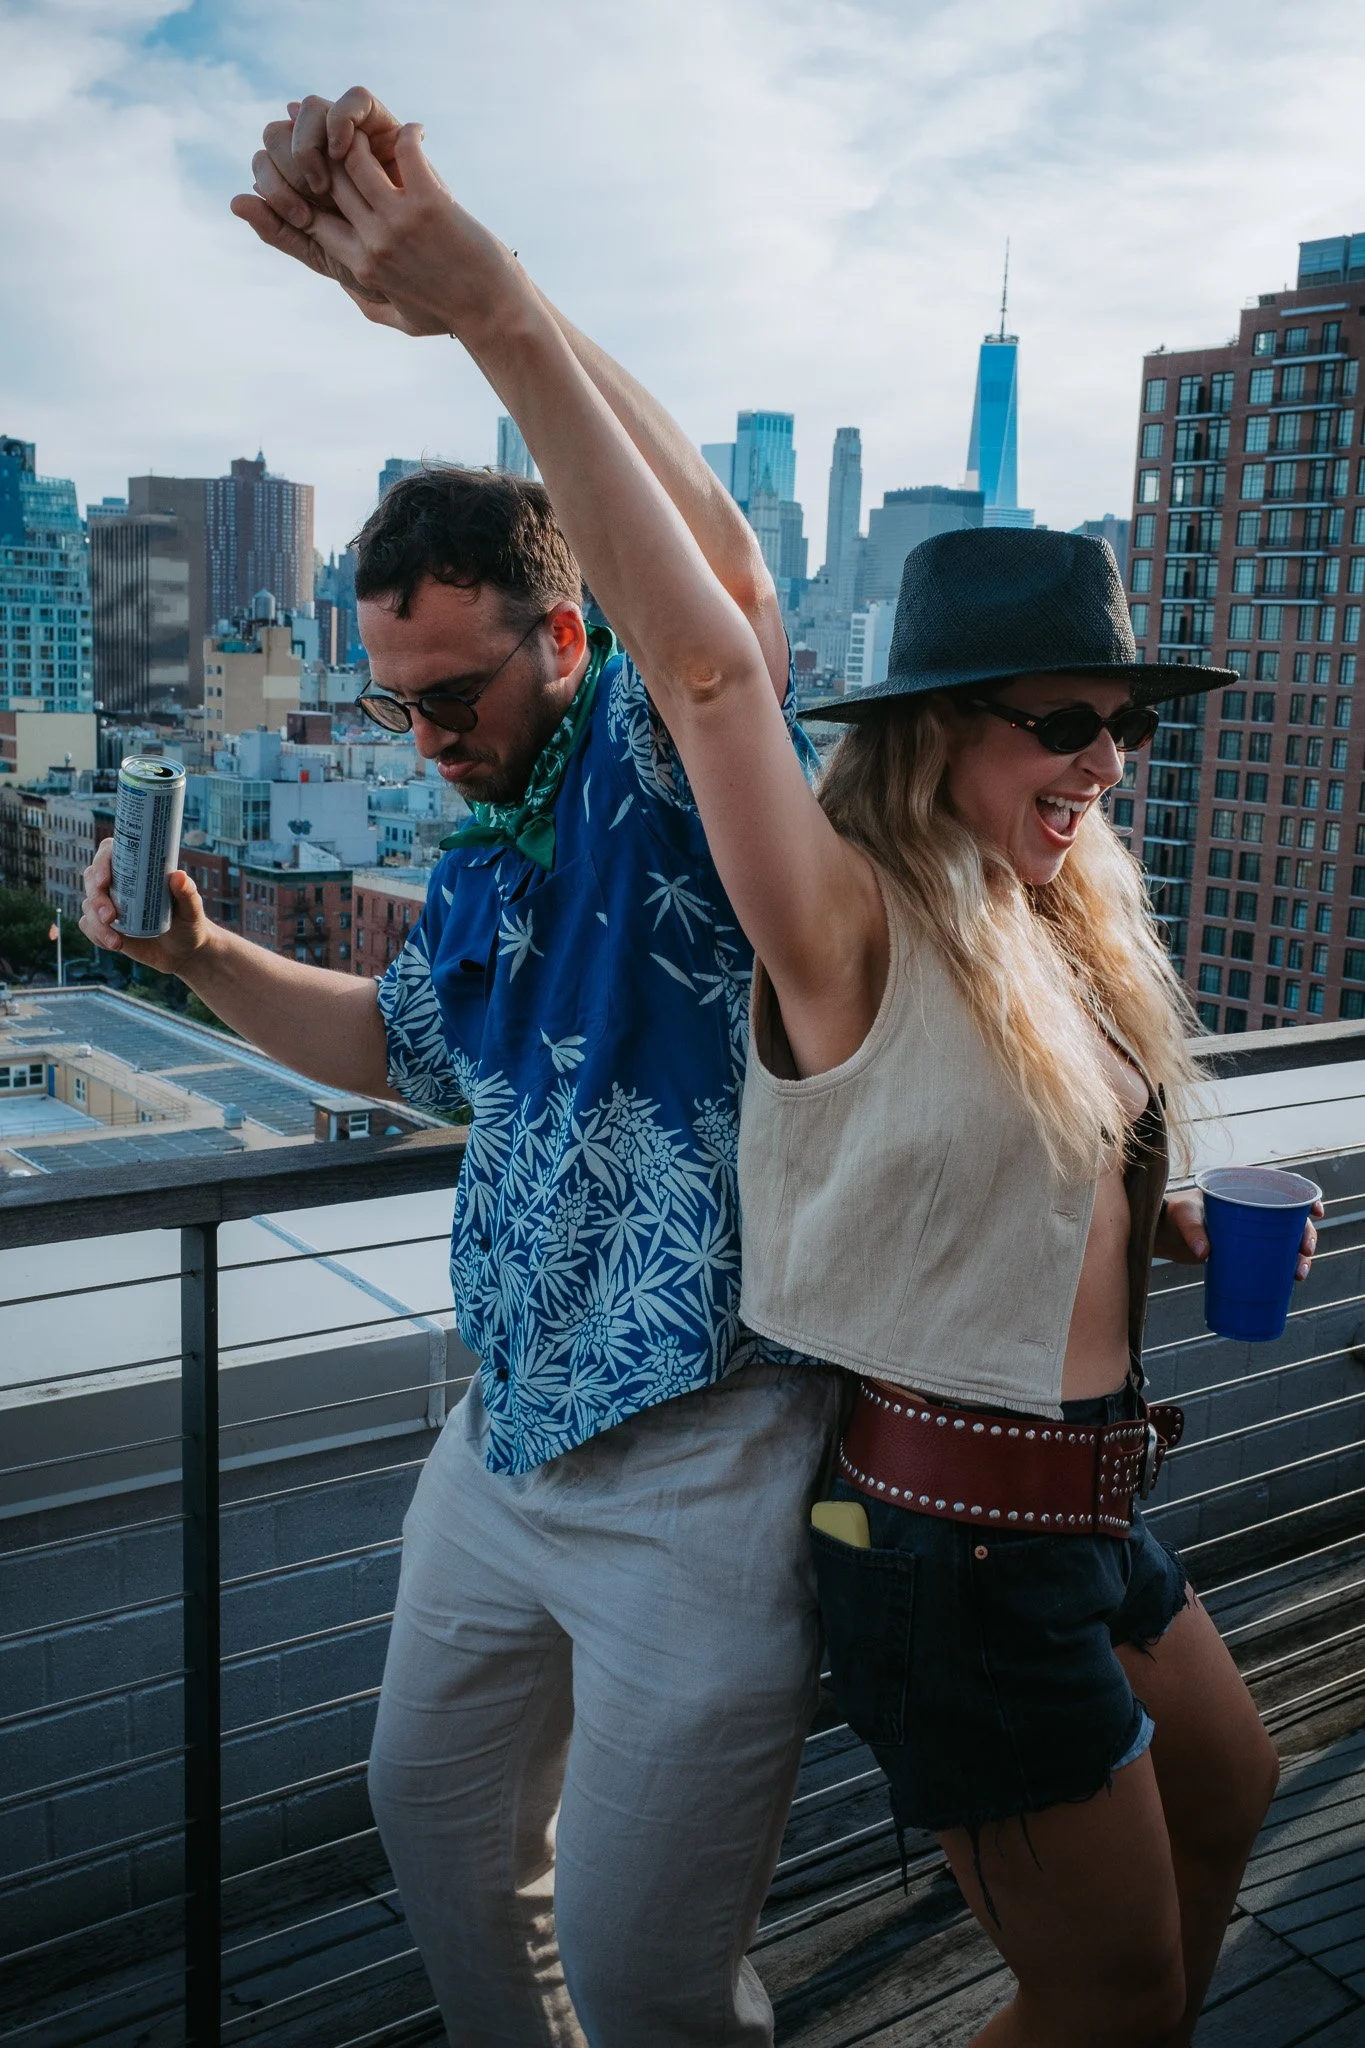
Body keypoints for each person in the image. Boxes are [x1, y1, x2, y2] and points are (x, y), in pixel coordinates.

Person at [240, 103, 1329, 2047]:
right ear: (936, 732)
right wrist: (490, 304)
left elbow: (977, 1163)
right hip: (934, 1532)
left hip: (1071, 1496)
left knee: (1229, 1804)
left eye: (1122, 723)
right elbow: (726, 647)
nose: (1105, 759)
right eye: (1064, 721)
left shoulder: (1049, 926)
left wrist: (1143, 1218)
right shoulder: (837, 918)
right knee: (1107, 1990)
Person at [79, 99, 844, 2048]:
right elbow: (393, 1047)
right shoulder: (485, 855)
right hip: (501, 1436)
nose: (423, 736)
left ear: (561, 634)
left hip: (702, 1452)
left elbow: (728, 618)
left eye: (456, 695)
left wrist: (494, 307)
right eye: (394, 701)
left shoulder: (647, 767)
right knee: (433, 1828)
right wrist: (188, 950)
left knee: (655, 1973)